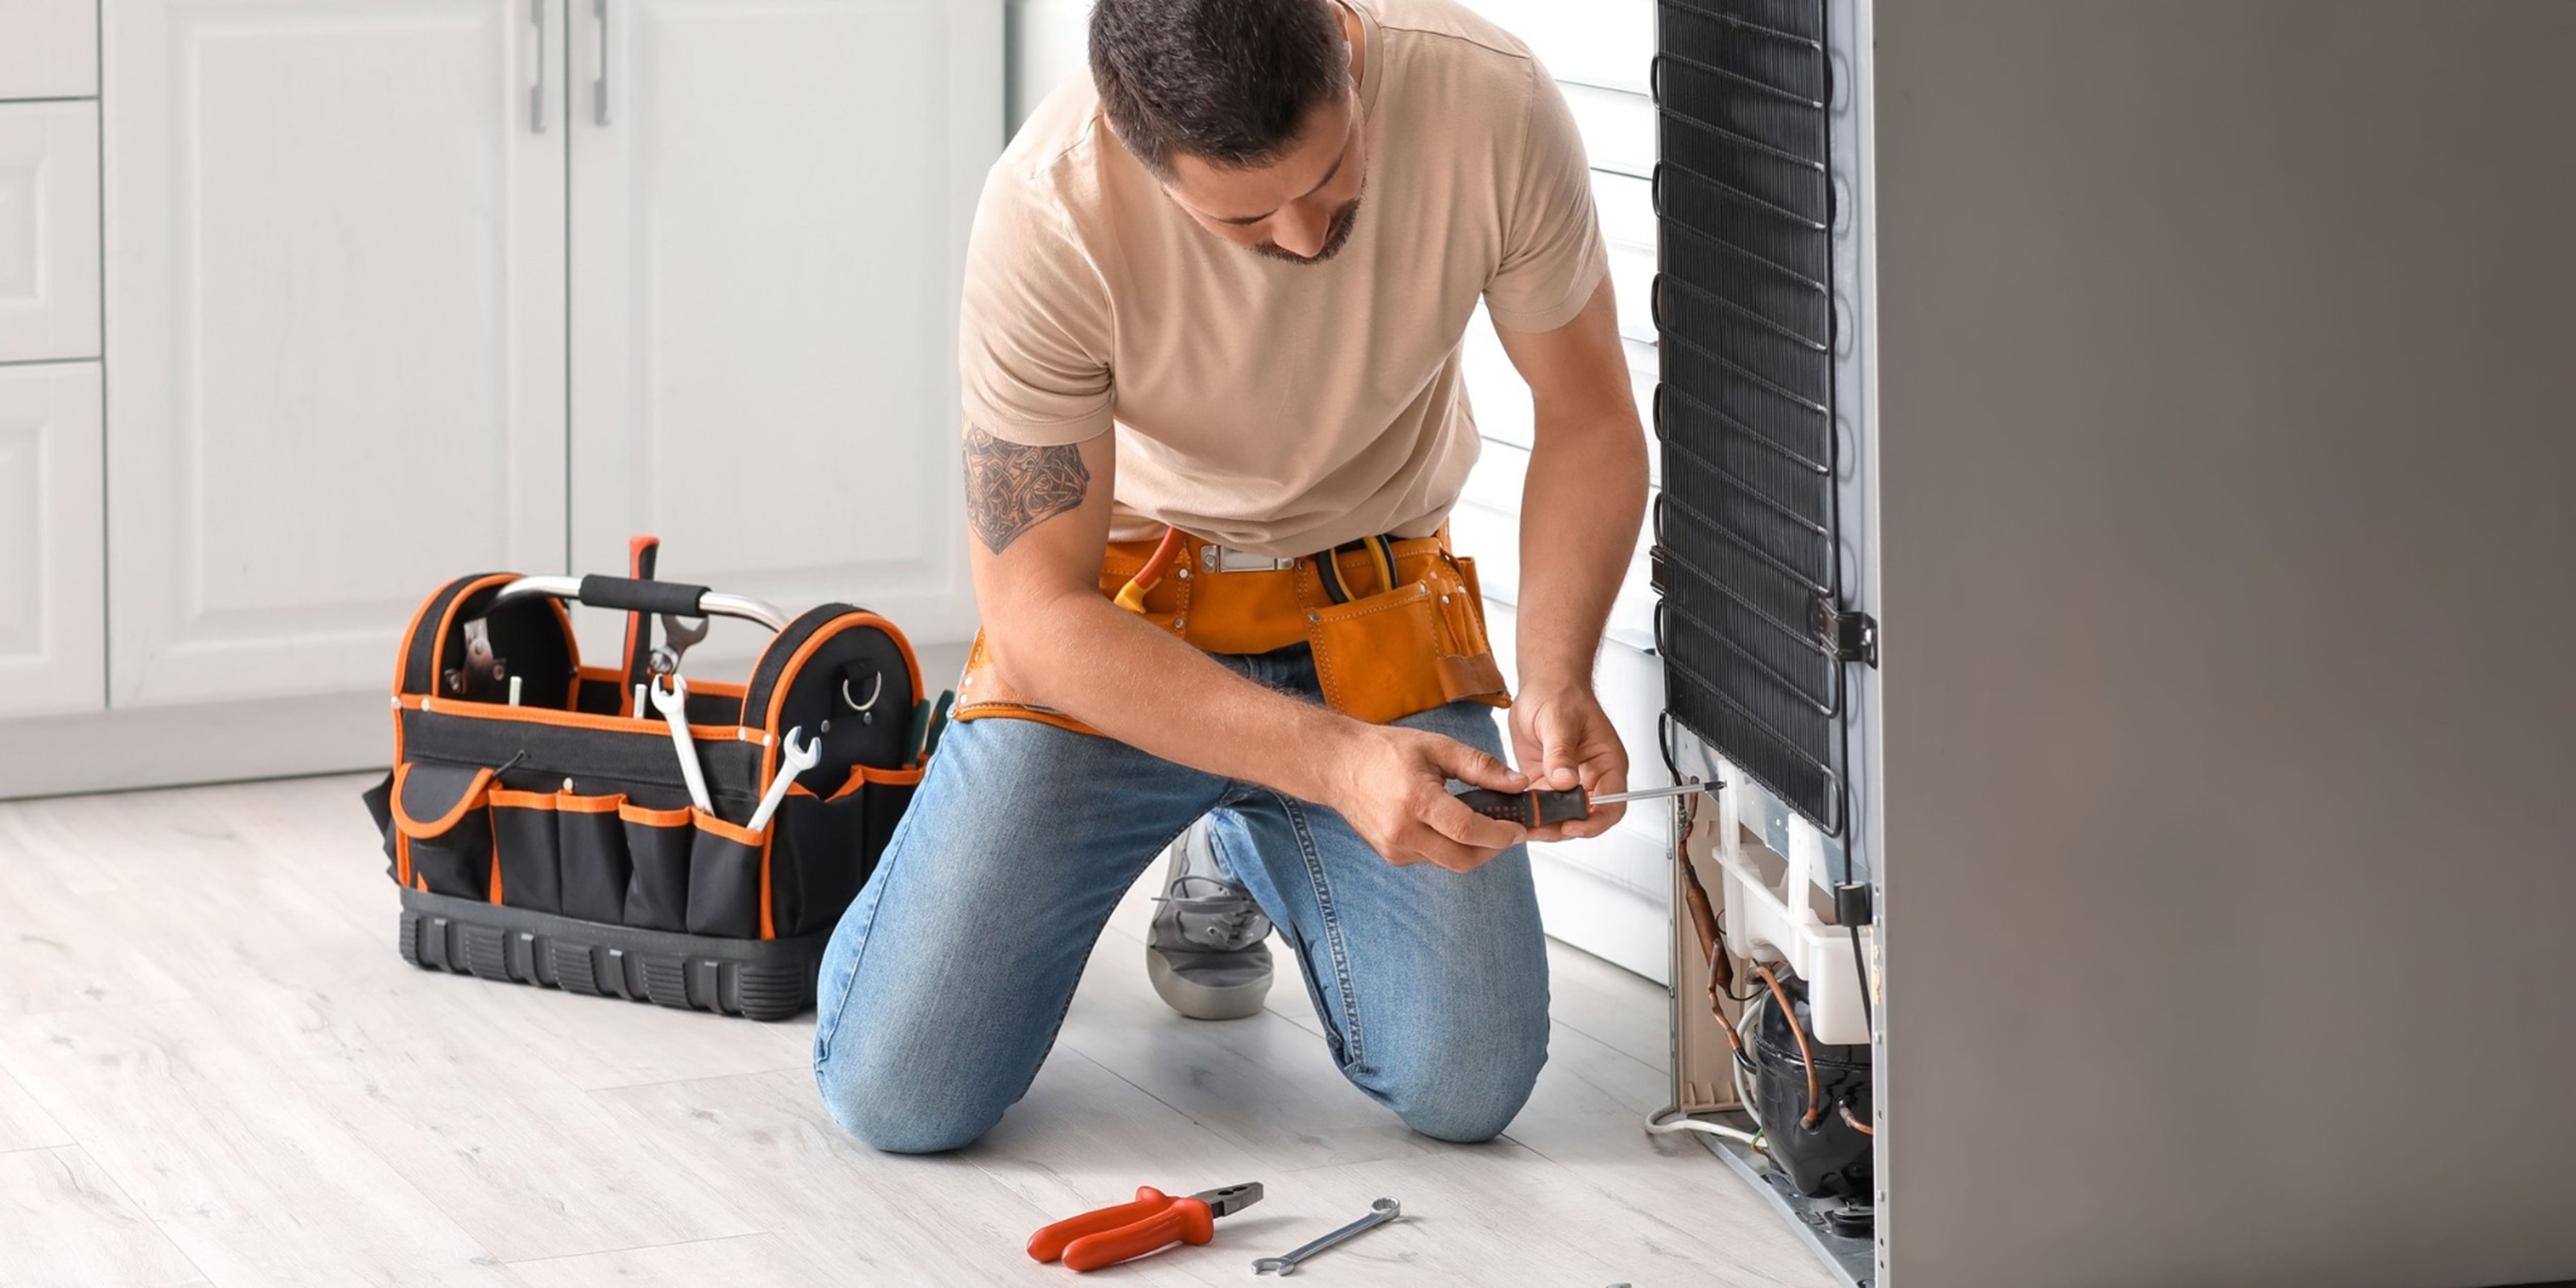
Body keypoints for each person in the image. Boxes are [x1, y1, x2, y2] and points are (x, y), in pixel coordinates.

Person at [812, 0, 1648, 1152]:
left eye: (1333, 174)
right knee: (900, 1096)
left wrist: (1556, 677)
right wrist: (1336, 764)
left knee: (1470, 1085)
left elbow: (1591, 418)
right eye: (1248, 216)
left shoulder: (1487, 99)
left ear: (1344, 48)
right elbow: (1035, 607)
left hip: (1373, 611)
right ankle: (1159, 801)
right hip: (1125, 634)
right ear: (1140, 152)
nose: (1305, 238)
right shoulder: (1049, 210)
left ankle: (1239, 834)